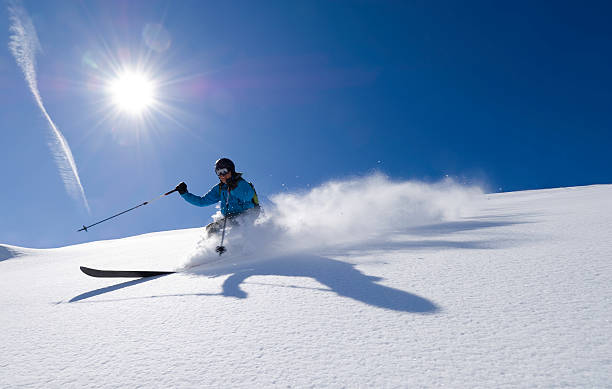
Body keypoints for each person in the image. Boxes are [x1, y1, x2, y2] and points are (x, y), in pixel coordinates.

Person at [175, 158, 260, 237]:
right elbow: (202, 202)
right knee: (211, 229)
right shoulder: (220, 188)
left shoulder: (241, 183)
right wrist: (184, 193)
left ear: (231, 170)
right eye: (218, 172)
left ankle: (239, 248)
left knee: (233, 227)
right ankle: (215, 250)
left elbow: (248, 196)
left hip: (247, 213)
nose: (222, 175)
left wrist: (233, 187)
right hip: (230, 217)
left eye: (224, 171)